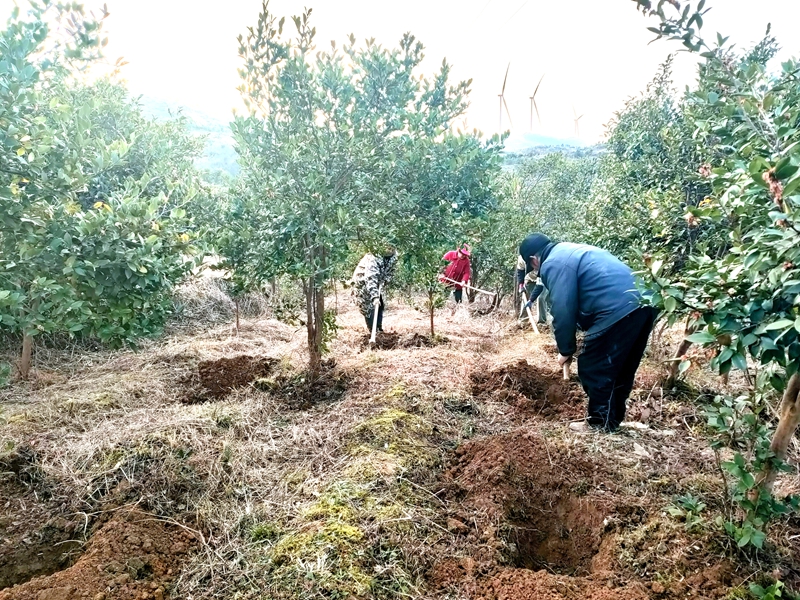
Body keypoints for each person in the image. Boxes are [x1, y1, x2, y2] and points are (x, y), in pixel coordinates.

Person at [519, 233, 656, 432]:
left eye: (533, 268)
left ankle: (598, 424)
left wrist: (566, 349)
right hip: (646, 302)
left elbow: (563, 308)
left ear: (534, 260)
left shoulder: (553, 263)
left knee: (594, 365)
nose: (536, 270)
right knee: (621, 367)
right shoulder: (569, 250)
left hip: (618, 307)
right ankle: (611, 421)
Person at [351, 247, 398, 333]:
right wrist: (375, 297)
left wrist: (385, 280)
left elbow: (391, 271)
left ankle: (379, 329)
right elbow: (370, 278)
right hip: (362, 282)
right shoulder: (373, 258)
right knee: (369, 308)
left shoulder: (394, 256)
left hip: (377, 281)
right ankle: (373, 331)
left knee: (380, 305)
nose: (390, 248)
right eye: (387, 246)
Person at [516, 255, 548, 324]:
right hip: (530, 279)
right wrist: (521, 285)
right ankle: (523, 321)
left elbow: (539, 286)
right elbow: (520, 271)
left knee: (541, 298)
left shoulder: (542, 259)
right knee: (525, 299)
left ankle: (542, 322)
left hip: (543, 280)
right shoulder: (521, 258)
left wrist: (531, 300)